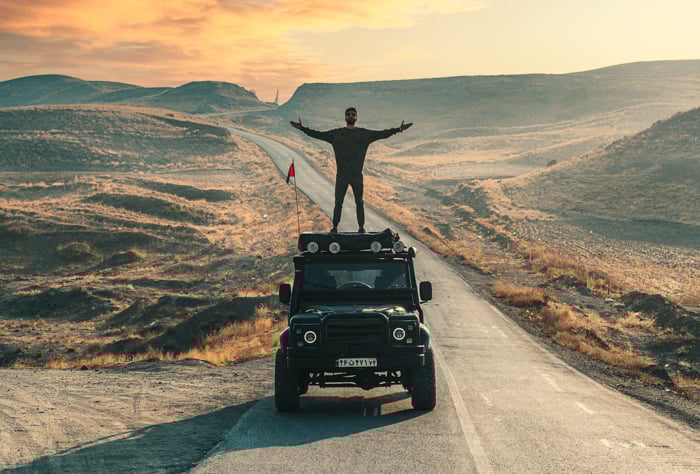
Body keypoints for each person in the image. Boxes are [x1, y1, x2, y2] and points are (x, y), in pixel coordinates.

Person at [290, 107, 412, 233]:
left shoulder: (364, 134)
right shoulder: (336, 134)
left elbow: (382, 134)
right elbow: (318, 134)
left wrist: (398, 129)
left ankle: (361, 228)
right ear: (345, 117)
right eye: (348, 114)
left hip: (356, 176)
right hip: (342, 176)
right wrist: (302, 128)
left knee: (359, 202)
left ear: (356, 118)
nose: (351, 116)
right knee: (338, 202)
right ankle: (335, 227)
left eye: (353, 114)